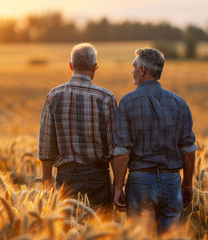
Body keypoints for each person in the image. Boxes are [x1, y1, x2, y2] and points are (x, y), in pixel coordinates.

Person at [112, 48, 198, 235]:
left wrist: (118, 187)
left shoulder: (127, 102)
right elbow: (189, 150)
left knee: (140, 236)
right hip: (171, 181)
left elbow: (122, 151)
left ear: (142, 71)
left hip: (140, 181)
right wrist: (188, 184)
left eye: (134, 67)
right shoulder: (179, 103)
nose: (132, 71)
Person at [38, 43, 117, 210]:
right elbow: (113, 148)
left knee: (67, 230)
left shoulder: (54, 95)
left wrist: (46, 179)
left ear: (71, 66)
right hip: (98, 177)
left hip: (66, 178)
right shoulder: (105, 98)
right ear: (95, 67)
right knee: (102, 232)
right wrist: (118, 186)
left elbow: (46, 145)